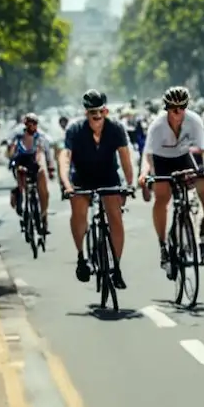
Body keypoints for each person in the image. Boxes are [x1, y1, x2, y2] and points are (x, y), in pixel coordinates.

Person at [59, 90, 136, 287]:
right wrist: (67, 185)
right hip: (82, 177)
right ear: (86, 113)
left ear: (106, 111)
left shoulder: (116, 129)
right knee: (78, 211)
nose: (97, 116)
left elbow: (125, 159)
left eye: (100, 111)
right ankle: (81, 257)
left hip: (108, 175)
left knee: (115, 216)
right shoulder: (75, 130)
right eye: (92, 112)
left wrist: (129, 184)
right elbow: (65, 158)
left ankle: (116, 267)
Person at [139, 86, 204, 273]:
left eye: (182, 107)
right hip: (162, 160)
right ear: (166, 108)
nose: (178, 112)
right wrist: (144, 173)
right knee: (162, 197)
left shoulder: (194, 120)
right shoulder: (157, 125)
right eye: (173, 108)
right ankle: (163, 245)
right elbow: (147, 156)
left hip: (182, 157)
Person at [6, 112, 53, 229]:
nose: (31, 126)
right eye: (28, 124)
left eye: (34, 124)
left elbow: (46, 154)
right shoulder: (18, 135)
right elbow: (11, 149)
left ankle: (44, 215)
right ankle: (20, 200)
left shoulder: (41, 137)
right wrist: (11, 157)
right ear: (25, 124)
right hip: (22, 161)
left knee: (43, 185)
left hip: (35, 162)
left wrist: (50, 167)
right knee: (21, 179)